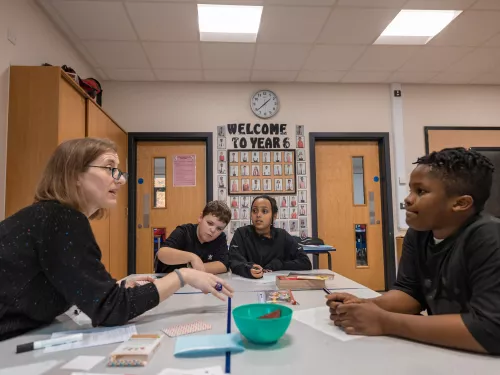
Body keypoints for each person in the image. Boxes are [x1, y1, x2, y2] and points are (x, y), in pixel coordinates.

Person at [0, 138, 233, 341]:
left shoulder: (51, 215)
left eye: (120, 171)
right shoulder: (61, 219)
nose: (121, 180)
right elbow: (111, 309)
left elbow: (87, 295)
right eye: (109, 168)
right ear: (74, 174)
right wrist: (183, 276)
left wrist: (109, 290)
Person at [326, 148, 500, 354]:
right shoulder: (419, 233)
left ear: (460, 203)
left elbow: (490, 330)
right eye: (410, 190)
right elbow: (410, 293)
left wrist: (385, 322)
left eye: (421, 192)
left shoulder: (489, 237)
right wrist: (365, 305)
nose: (408, 199)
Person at [229, 196, 311, 279]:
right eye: (254, 211)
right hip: (246, 285)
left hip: (276, 286)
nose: (258, 215)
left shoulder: (282, 236)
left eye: (264, 211)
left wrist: (279, 264)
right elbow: (234, 261)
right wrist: (248, 268)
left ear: (274, 216)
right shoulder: (241, 233)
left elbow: (305, 262)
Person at [155, 201, 231, 275]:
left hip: (196, 283)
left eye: (219, 229)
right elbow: (162, 253)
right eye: (210, 223)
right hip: (169, 280)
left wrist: (193, 269)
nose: (213, 230)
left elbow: (223, 265)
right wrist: (192, 257)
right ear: (200, 218)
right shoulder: (184, 231)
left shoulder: (220, 237)